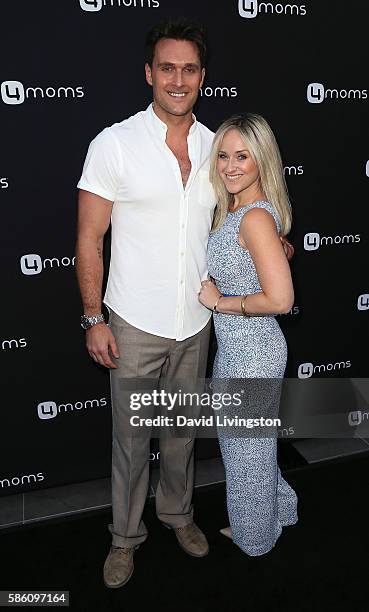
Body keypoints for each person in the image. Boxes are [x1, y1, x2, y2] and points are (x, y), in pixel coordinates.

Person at [75, 19, 216, 589]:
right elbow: (89, 238)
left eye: (188, 69)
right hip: (132, 322)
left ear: (202, 77)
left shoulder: (217, 146)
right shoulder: (114, 144)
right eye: (167, 68)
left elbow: (238, 220)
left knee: (181, 434)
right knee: (132, 441)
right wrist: (93, 317)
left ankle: (178, 516)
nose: (177, 80)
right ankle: (124, 539)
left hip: (197, 321)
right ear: (149, 74)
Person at [198, 114, 299, 556]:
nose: (231, 165)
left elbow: (279, 299)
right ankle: (281, 510)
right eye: (223, 155)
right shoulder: (239, 209)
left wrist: (220, 301)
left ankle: (254, 539)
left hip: (251, 351)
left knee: (246, 456)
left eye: (243, 155)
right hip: (241, 349)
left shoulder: (254, 216)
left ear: (263, 159)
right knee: (253, 447)